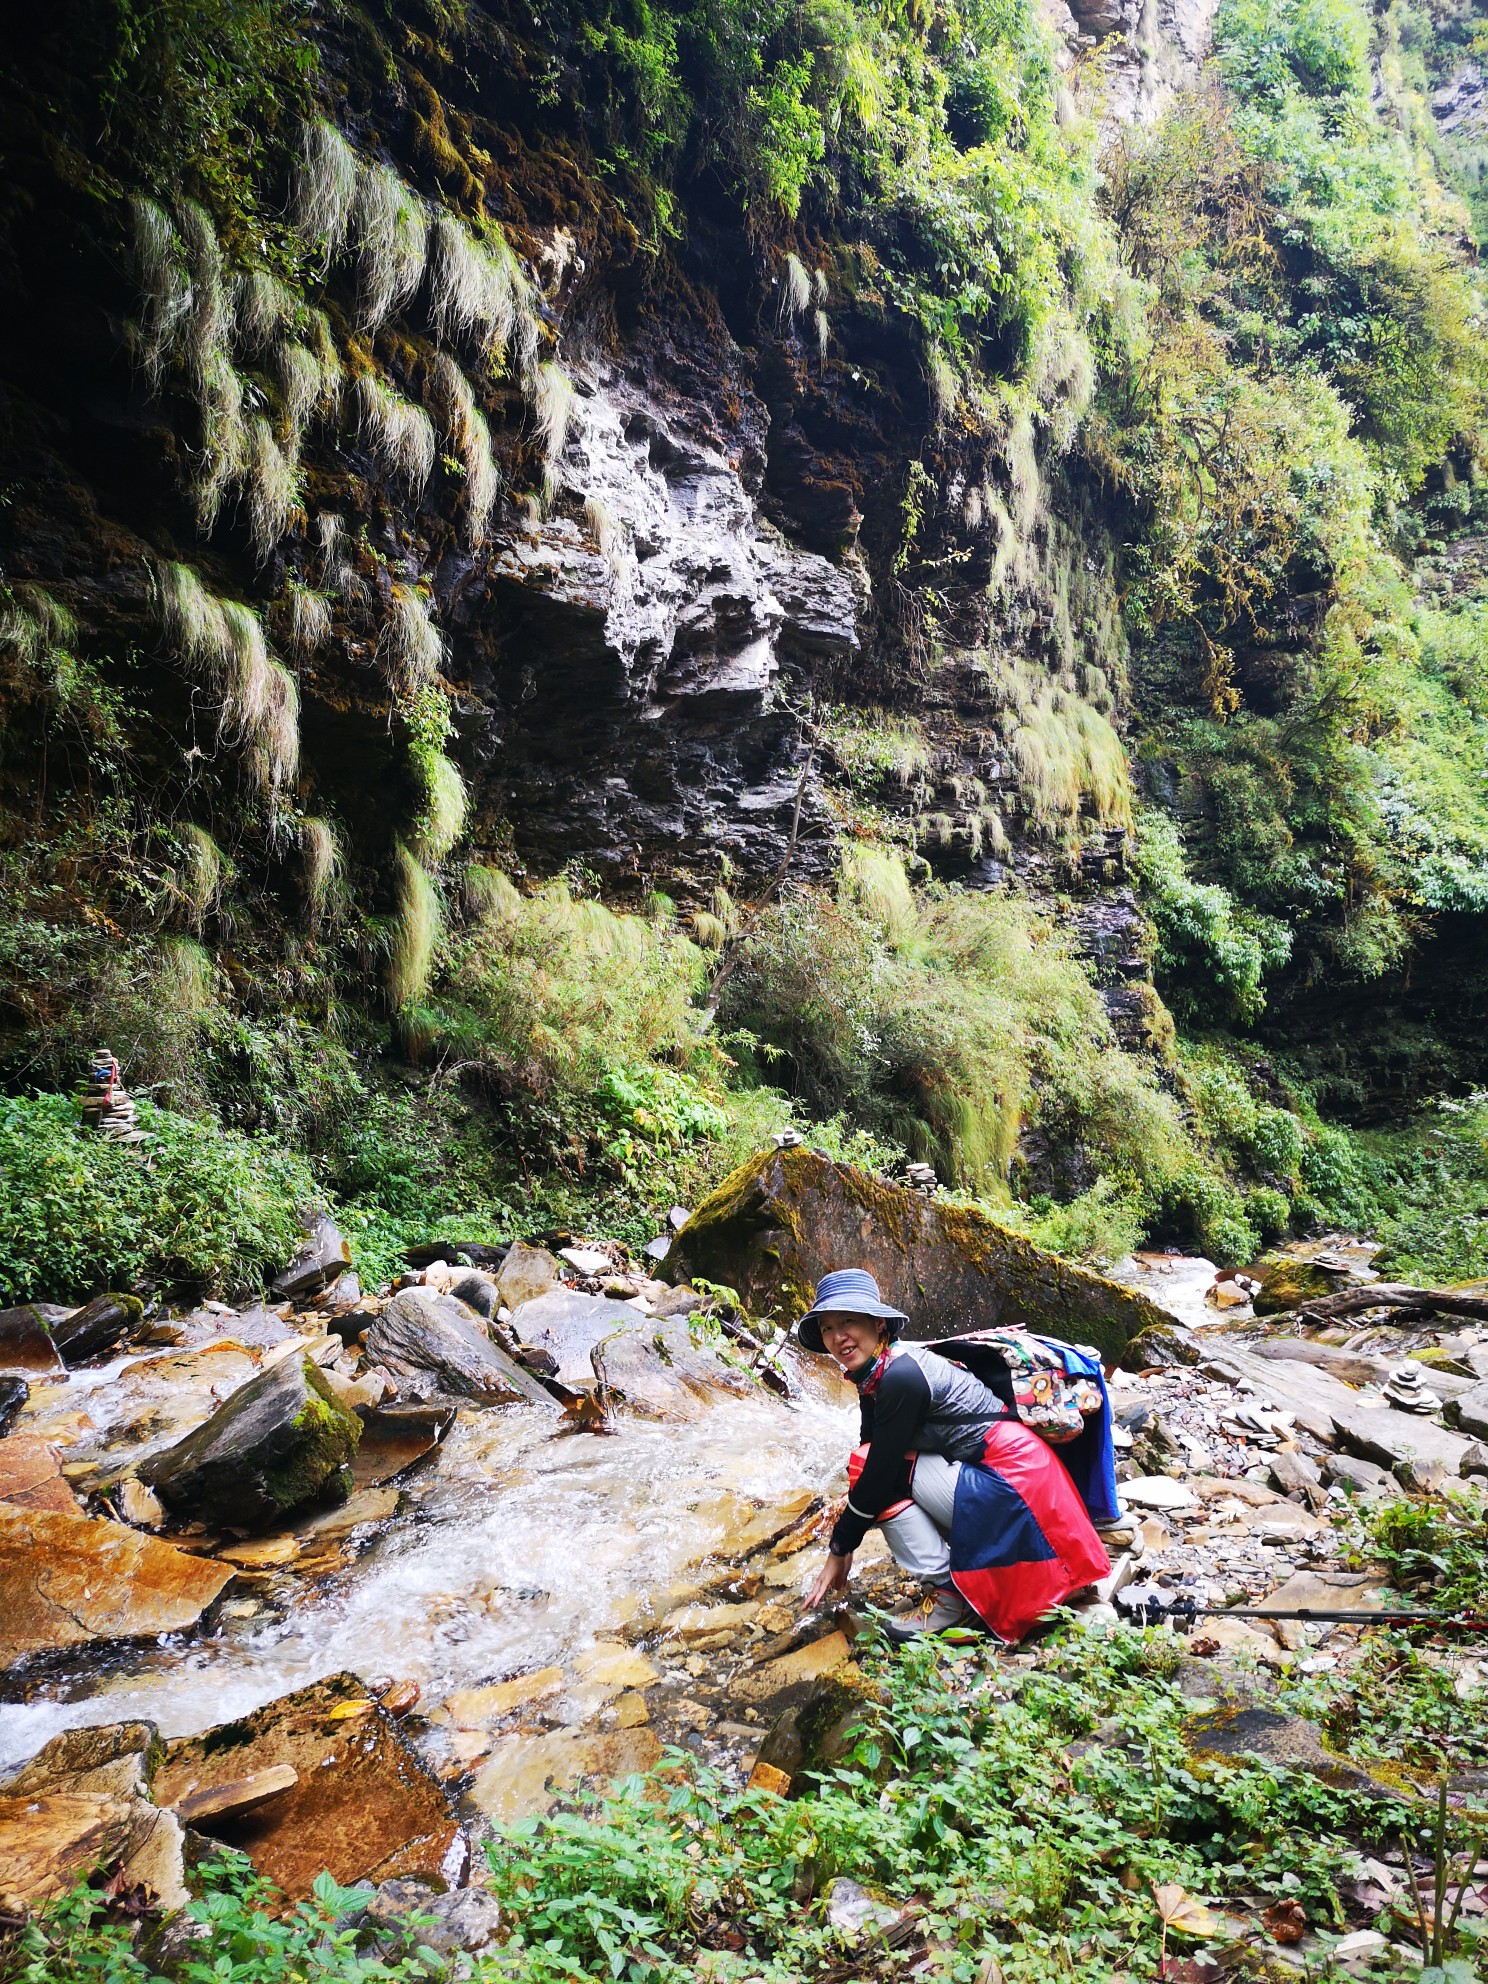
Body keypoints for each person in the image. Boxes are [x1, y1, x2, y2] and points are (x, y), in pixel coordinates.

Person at [800, 1267, 1111, 1642]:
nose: (838, 1337)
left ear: (879, 1323)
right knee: (868, 1466)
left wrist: (839, 1547)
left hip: (1015, 1482)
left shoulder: (901, 1377)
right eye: (827, 1328)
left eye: (848, 1321)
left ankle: (950, 1597)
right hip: (1016, 1476)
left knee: (870, 1470)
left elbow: (877, 1473)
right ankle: (963, 1585)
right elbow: (873, 1446)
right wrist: (851, 1528)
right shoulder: (878, 1374)